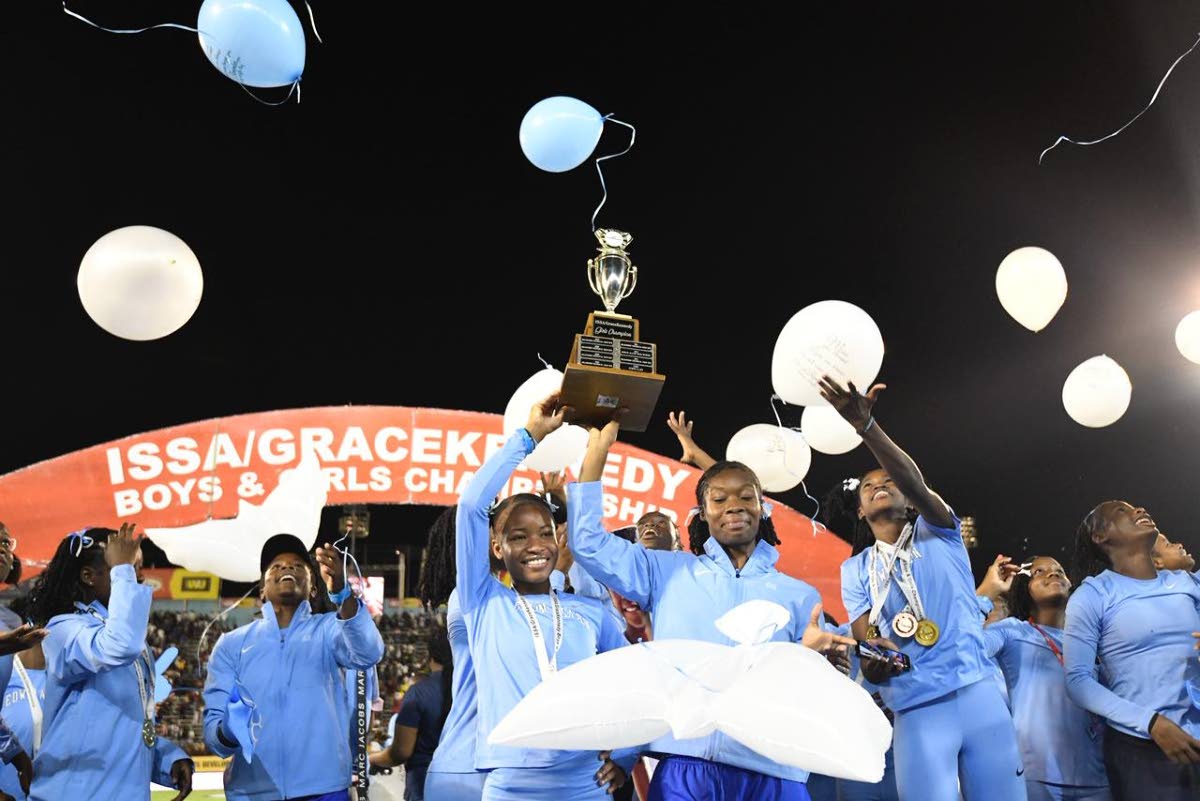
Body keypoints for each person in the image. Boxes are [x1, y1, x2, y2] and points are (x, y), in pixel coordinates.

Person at [568, 413, 854, 801]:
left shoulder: (799, 596)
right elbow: (586, 542)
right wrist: (598, 450)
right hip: (686, 768)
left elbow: (818, 684)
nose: (733, 505)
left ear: (762, 508)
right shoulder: (664, 572)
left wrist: (830, 664)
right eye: (719, 499)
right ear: (703, 513)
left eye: (746, 496)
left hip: (774, 771)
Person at [823, 377, 1025, 801]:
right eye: (868, 486)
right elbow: (867, 637)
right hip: (915, 706)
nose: (879, 485)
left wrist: (868, 427)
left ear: (911, 499)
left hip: (978, 693)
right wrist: (875, 659)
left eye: (889, 482)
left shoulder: (939, 530)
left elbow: (913, 480)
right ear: (860, 510)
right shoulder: (854, 569)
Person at [456, 393, 634, 801]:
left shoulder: (590, 612)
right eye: (517, 536)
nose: (535, 545)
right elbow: (470, 506)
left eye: (544, 533)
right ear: (497, 548)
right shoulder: (484, 603)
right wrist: (529, 436)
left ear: (559, 540)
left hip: (586, 783)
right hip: (511, 784)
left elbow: (632, 681)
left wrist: (625, 757)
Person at [203, 532, 385, 801]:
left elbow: (368, 652)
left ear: (313, 587)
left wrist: (342, 593)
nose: (286, 567)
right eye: (275, 566)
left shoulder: (330, 630)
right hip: (252, 792)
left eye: (298, 565)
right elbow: (214, 738)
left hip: (324, 789)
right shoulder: (231, 645)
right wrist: (230, 728)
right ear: (262, 589)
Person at [26, 524, 192, 801]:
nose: (136, 575)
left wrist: (166, 758)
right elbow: (119, 645)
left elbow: (127, 725)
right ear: (89, 576)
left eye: (135, 567)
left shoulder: (135, 646)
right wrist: (123, 571)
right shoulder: (63, 629)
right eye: (122, 566)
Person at [1065, 502, 1200, 799]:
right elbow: (1077, 681)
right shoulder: (1093, 595)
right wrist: (1150, 723)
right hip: (1142, 748)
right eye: (1121, 512)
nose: (1139, 509)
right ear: (1101, 537)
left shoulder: (1186, 583)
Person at [977, 554, 1110, 801]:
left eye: (1059, 569)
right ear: (1023, 590)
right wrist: (987, 592)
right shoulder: (1012, 631)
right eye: (1039, 572)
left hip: (1096, 778)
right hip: (1036, 778)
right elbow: (965, 648)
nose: (1053, 573)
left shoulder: (1092, 642)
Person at [371, 629, 452, 799]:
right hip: (467, 784)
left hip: (424, 785)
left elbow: (401, 752)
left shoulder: (419, 693)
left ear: (430, 657)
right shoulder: (474, 690)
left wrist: (370, 759)